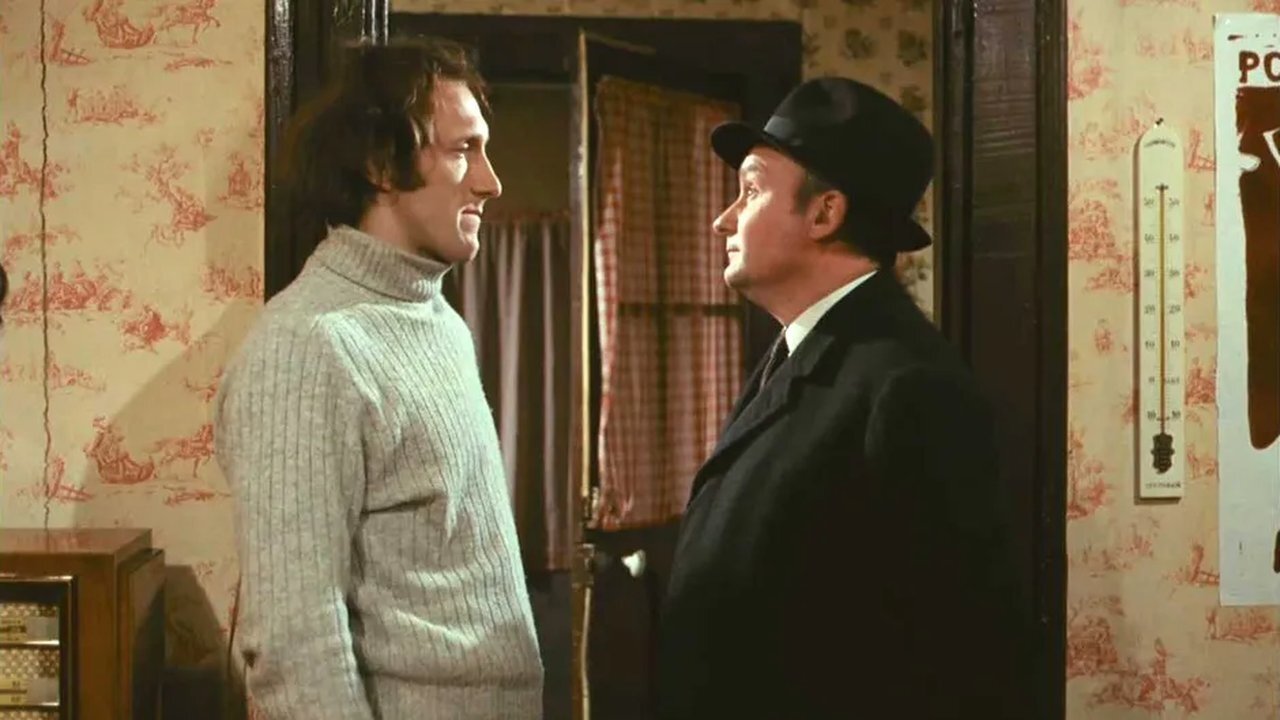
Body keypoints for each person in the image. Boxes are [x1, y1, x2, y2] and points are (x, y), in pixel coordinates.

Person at [657, 77, 1031, 719]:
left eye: (751, 190)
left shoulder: (908, 385)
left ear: (825, 213)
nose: (724, 218)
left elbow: (961, 660)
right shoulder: (798, 351)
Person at [213, 38, 542, 720]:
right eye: (463, 149)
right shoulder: (307, 347)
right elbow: (295, 643)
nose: (490, 181)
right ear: (379, 165)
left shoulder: (439, 320)